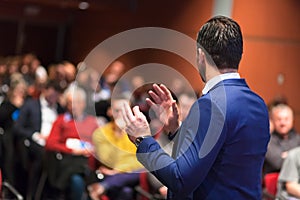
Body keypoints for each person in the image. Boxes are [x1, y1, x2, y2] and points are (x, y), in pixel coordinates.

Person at [121, 15, 270, 199]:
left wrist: (142, 139)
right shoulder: (259, 104)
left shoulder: (210, 105)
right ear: (239, 55)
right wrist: (177, 130)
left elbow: (180, 180)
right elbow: (221, 157)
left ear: (201, 55)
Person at [13, 80, 65, 199]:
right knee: (43, 156)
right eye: (52, 94)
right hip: (35, 142)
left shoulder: (60, 109)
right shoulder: (31, 104)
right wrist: (35, 135)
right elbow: (17, 128)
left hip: (54, 143)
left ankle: (54, 194)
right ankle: (33, 195)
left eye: (57, 95)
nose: (54, 97)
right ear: (45, 90)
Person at [45, 87, 99, 200]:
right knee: (76, 180)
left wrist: (92, 149)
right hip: (67, 161)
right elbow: (50, 143)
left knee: (80, 178)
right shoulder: (61, 120)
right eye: (70, 103)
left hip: (88, 163)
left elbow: (99, 145)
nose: (74, 106)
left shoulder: (92, 122)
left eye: (78, 102)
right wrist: (72, 150)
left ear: (83, 104)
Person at [88, 97, 144, 200]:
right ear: (109, 112)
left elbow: (142, 162)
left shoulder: (138, 132)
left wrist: (118, 171)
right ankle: (105, 185)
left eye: (125, 110)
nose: (122, 114)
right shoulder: (100, 133)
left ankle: (103, 186)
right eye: (118, 110)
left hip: (131, 174)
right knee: (126, 192)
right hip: (113, 175)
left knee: (143, 171)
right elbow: (109, 161)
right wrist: (118, 133)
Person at [264, 104, 300, 174]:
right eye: (279, 119)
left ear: (292, 120)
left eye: (286, 119)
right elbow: (278, 163)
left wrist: (287, 155)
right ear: (273, 121)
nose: (282, 123)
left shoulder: (298, 138)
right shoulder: (268, 141)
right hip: (276, 182)